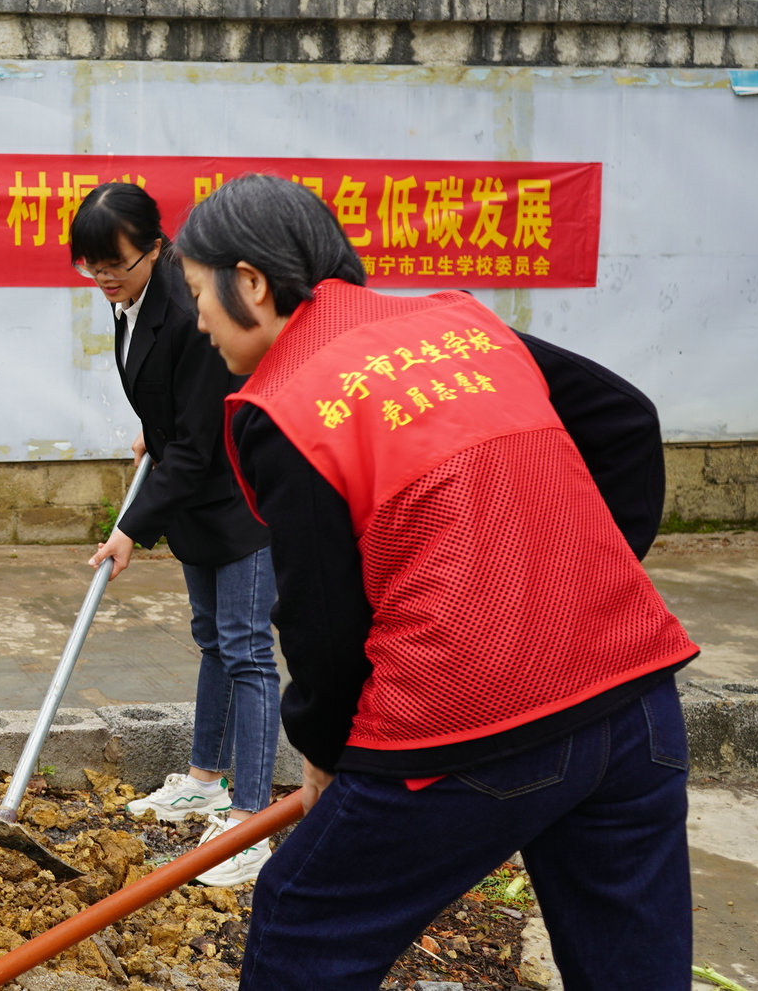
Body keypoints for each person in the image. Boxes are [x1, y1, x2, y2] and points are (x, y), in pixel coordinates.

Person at [173, 173, 698, 989]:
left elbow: (321, 622)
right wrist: (583, 585)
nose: (197, 317)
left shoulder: (285, 401)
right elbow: (627, 423)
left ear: (249, 281)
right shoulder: (455, 319)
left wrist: (323, 752)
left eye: (196, 289)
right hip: (634, 699)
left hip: (470, 724)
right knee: (627, 961)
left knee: (306, 921)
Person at [75, 183, 277, 886]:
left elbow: (198, 440)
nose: (103, 278)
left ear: (155, 248)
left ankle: (252, 822)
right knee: (213, 637)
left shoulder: (189, 308)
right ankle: (206, 779)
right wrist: (149, 429)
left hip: (239, 497)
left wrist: (130, 527)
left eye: (116, 264)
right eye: (90, 265)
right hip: (197, 497)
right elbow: (173, 408)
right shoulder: (130, 300)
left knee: (248, 648)